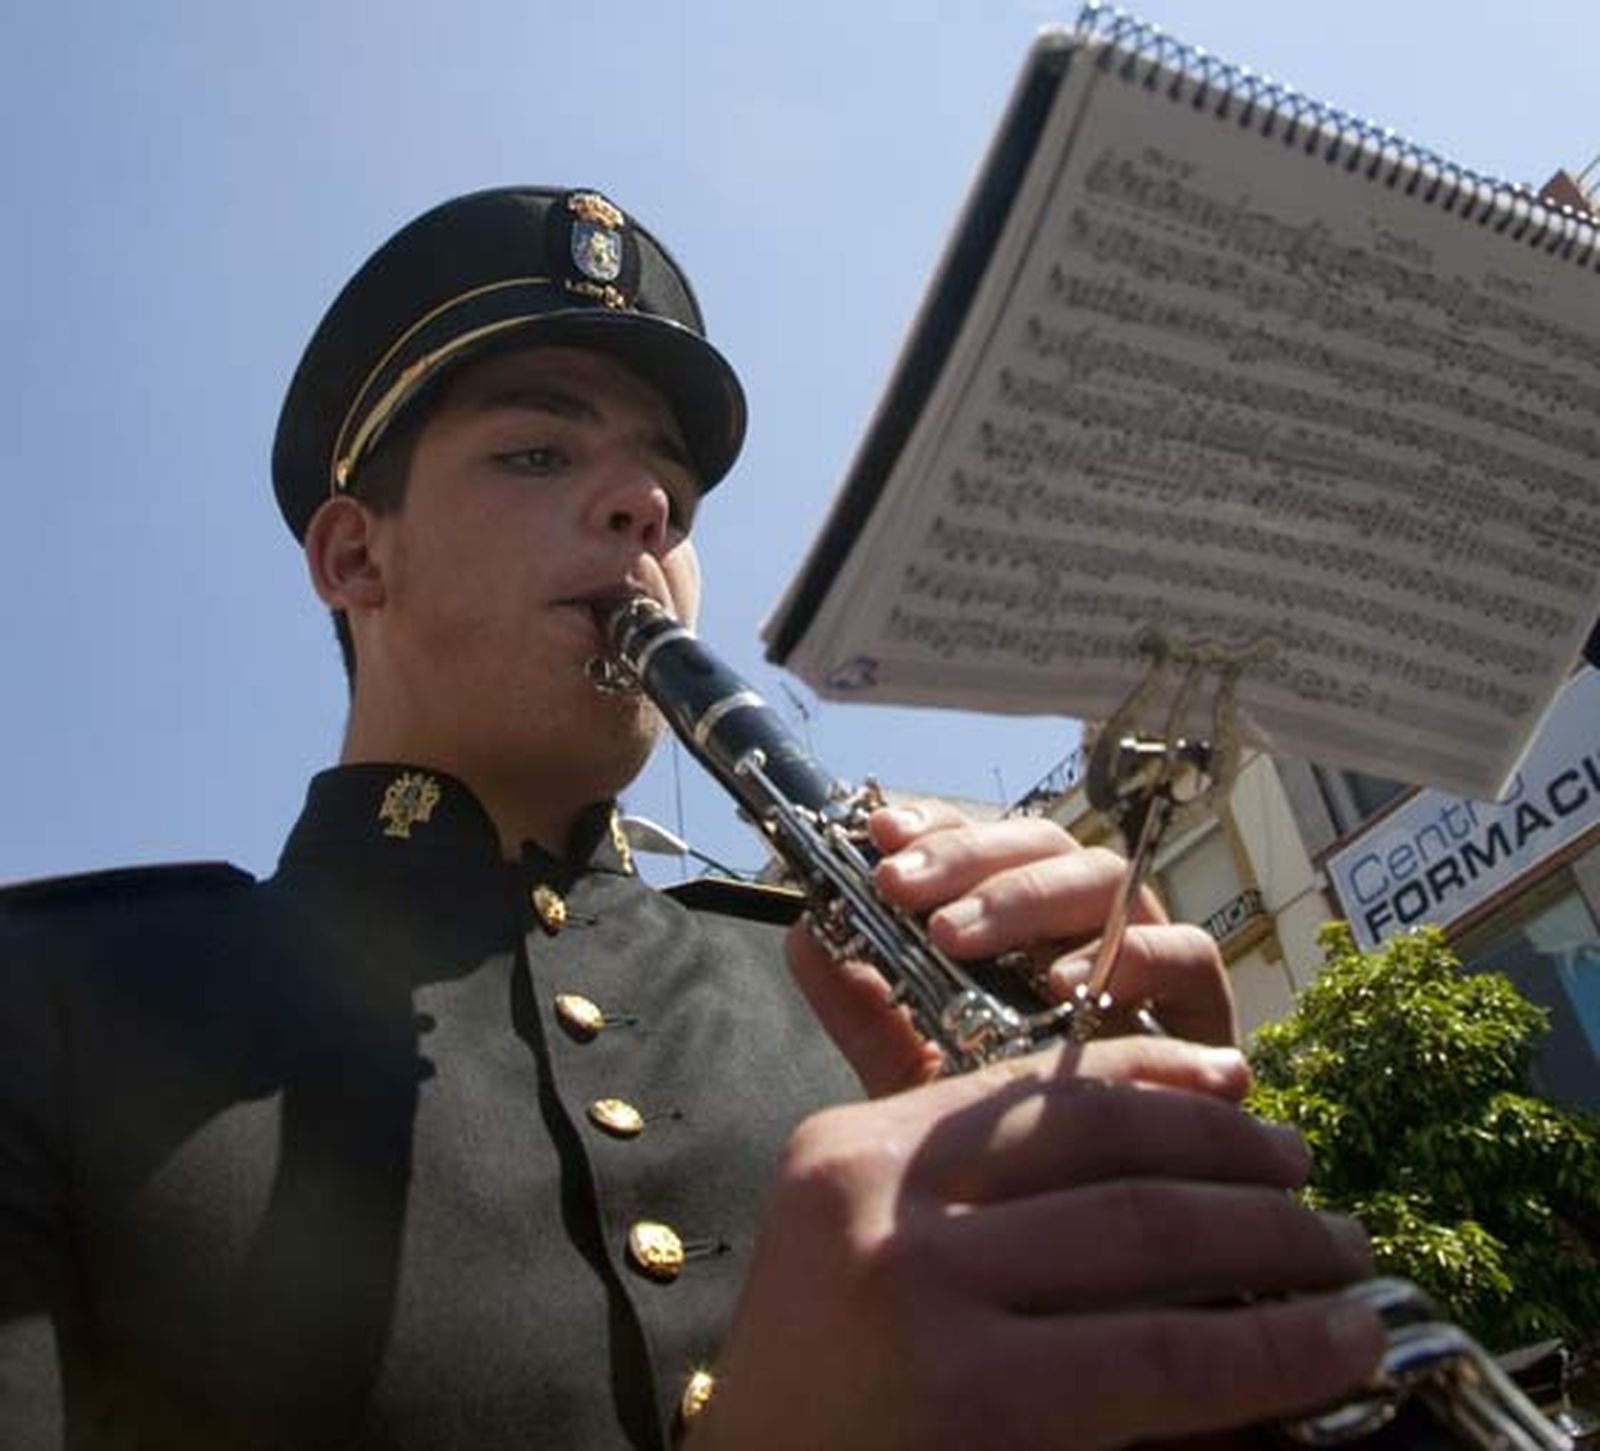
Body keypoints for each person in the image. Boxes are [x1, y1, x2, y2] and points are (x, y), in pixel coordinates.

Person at [0, 187, 1385, 1450]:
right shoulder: (54, 1005)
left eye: (673, 484)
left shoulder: (846, 990)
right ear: (357, 554)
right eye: (540, 451)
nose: (644, 504)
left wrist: (1194, 1309)